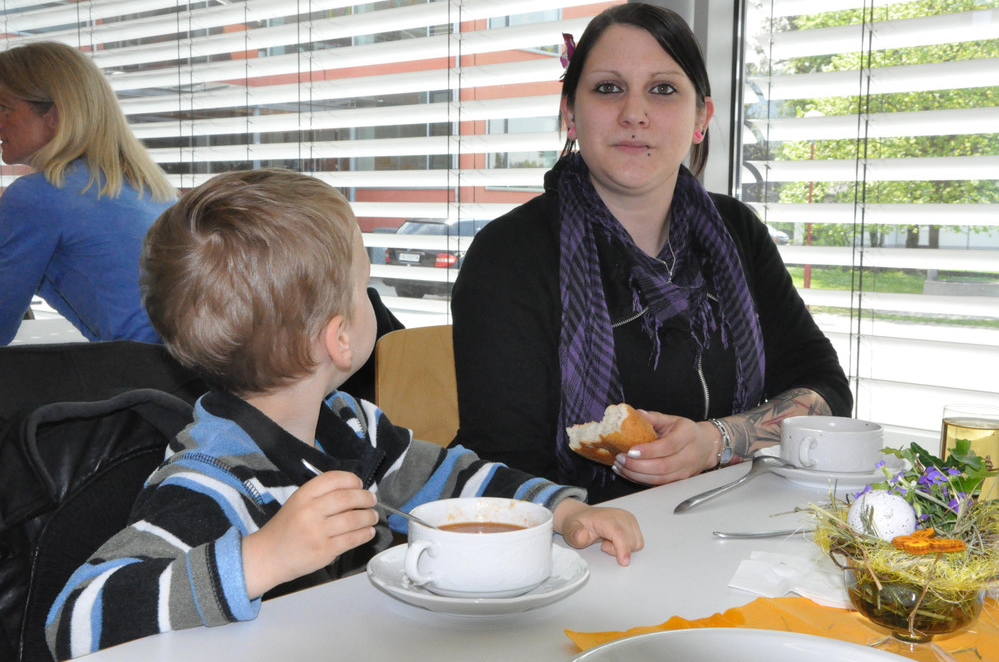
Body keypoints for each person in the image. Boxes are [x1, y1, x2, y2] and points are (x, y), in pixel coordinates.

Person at [44, 168, 642, 660]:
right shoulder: (211, 482)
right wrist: (261, 558)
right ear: (340, 339)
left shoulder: (350, 424)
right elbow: (73, 620)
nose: (370, 299)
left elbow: (449, 479)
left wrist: (557, 510)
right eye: (363, 287)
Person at [450, 3, 853, 503]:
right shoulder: (508, 255)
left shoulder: (738, 231)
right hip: (574, 535)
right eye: (608, 88)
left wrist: (716, 441)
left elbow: (827, 391)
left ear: (701, 117)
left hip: (725, 515)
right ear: (570, 114)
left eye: (662, 89)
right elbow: (502, 467)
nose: (634, 114)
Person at [0, 41, 176, 345]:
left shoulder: (37, 196)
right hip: (190, 367)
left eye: (3, 108)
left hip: (143, 368)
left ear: (54, 116)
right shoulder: (145, 186)